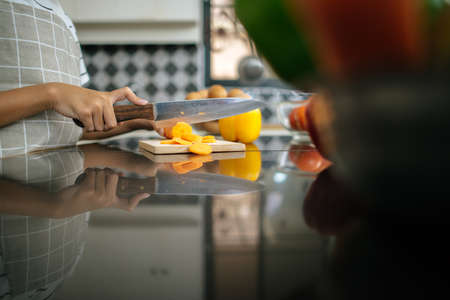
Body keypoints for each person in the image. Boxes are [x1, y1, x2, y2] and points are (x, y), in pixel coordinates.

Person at [0, 0, 155, 158]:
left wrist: (135, 123)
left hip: (55, 172)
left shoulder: (63, 19)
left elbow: (70, 130)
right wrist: (54, 94)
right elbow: (57, 97)